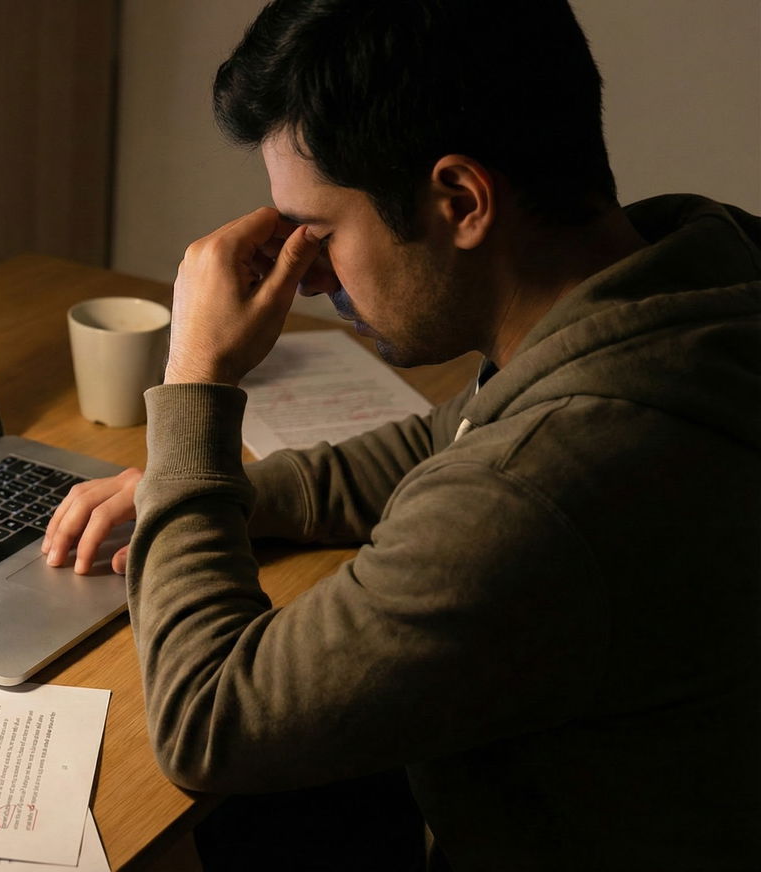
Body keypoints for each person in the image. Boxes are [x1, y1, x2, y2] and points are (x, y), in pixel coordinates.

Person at [42, 1, 760, 868]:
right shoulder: (702, 268)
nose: (306, 279)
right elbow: (451, 438)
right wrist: (219, 492)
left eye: (323, 233)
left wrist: (194, 381)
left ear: (460, 199)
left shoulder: (543, 489)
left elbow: (209, 725)